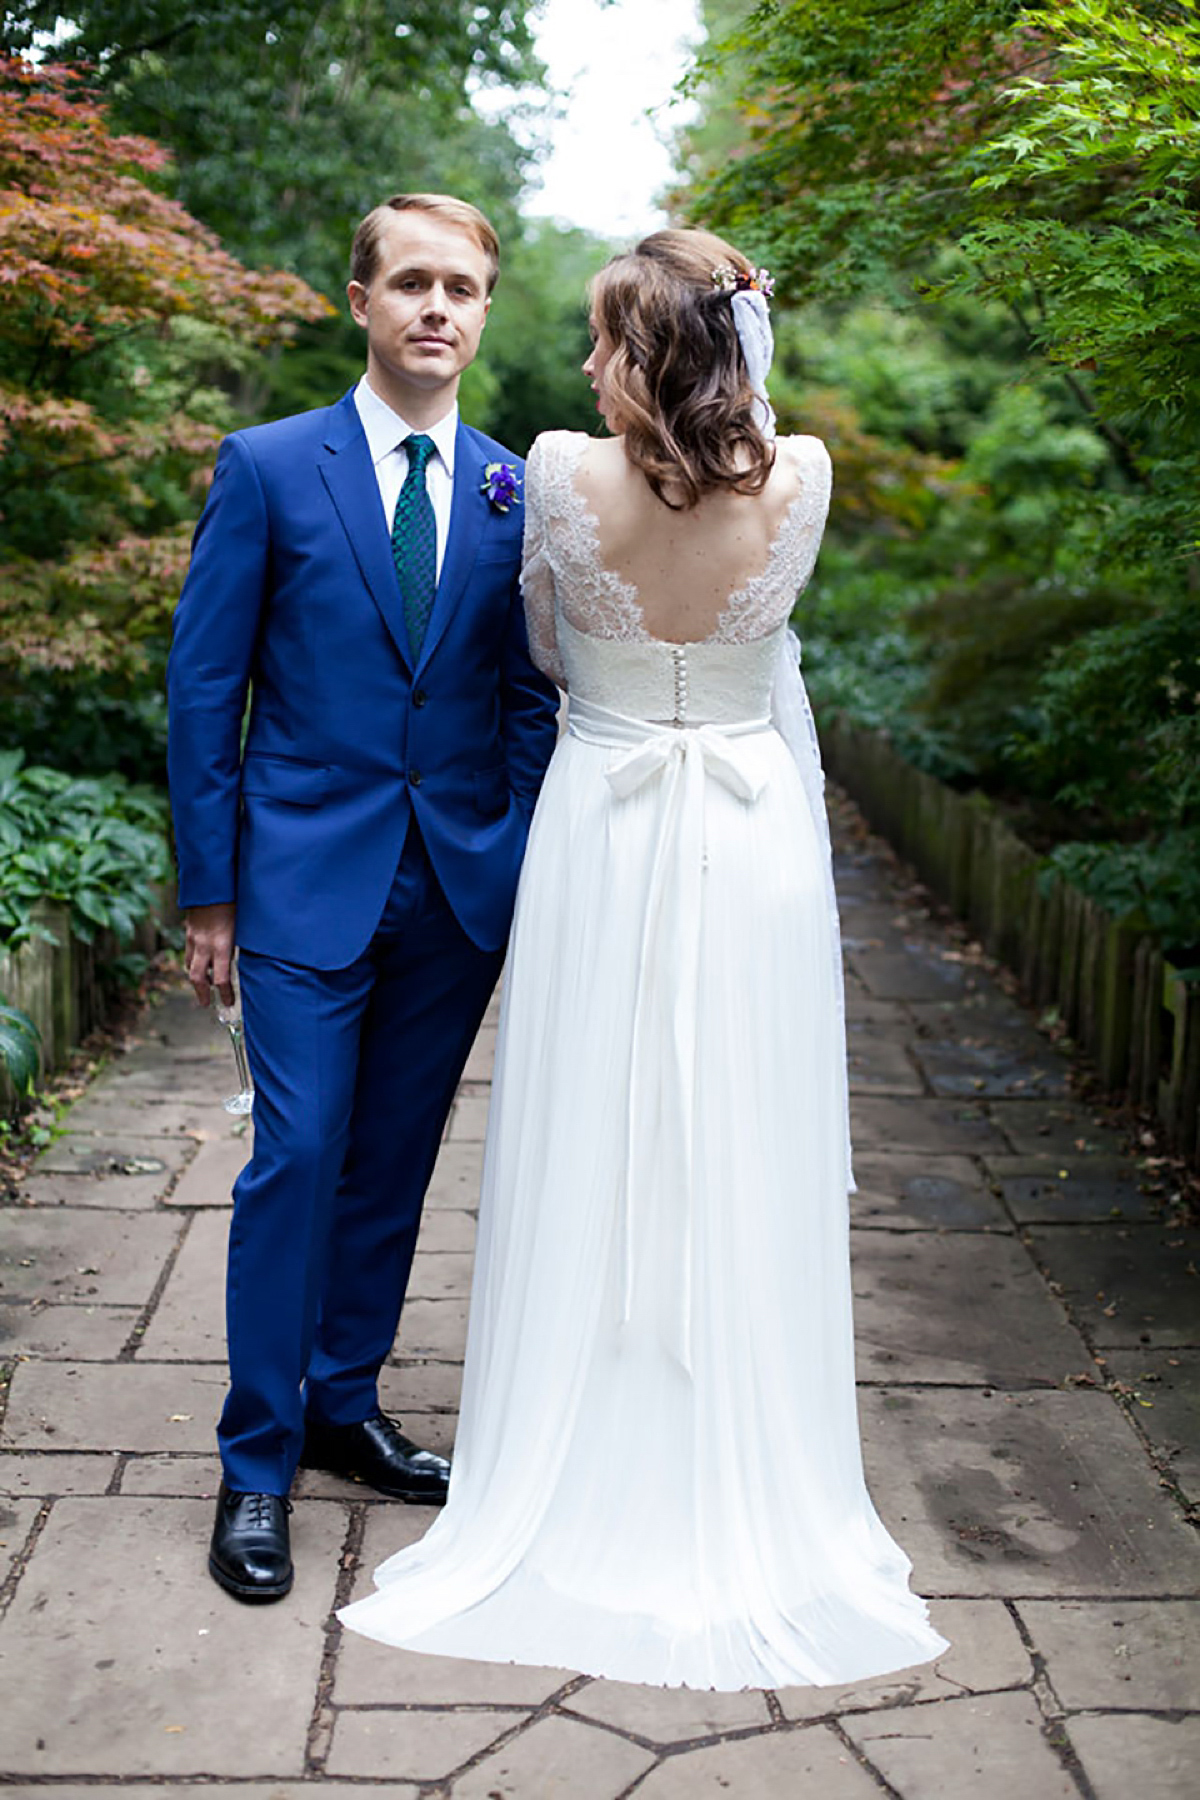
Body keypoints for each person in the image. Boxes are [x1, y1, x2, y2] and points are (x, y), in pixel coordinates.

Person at [338, 229, 948, 1689]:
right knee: (738, 1142)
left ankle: (574, 1445)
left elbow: (545, 644)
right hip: (755, 857)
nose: (590, 361)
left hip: (600, 845)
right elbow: (767, 645)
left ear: (644, 352)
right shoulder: (799, 477)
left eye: (610, 335)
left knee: (590, 1140)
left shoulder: (554, 468)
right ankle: (746, 1456)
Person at [166, 193, 559, 1603]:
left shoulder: (522, 490)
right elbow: (209, 683)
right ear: (361, 300)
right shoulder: (271, 468)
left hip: (454, 891)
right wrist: (208, 891)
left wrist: (504, 853)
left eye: (461, 286)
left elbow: (531, 694)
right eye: (411, 283)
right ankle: (256, 1462)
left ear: (485, 310)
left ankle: (344, 1404)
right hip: (295, 883)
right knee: (300, 1155)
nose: (436, 307)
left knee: (394, 1166)